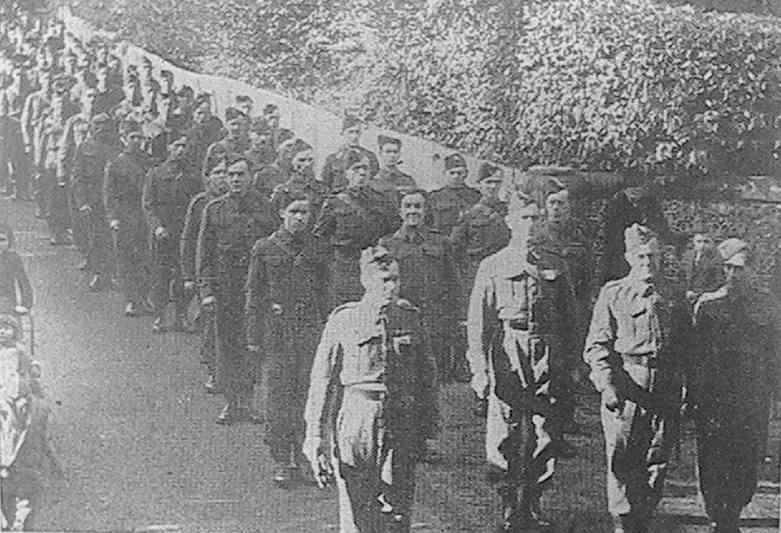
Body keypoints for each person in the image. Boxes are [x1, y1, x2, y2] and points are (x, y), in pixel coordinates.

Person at [303, 246, 437, 533]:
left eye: (396, 280)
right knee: (356, 508)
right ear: (366, 281)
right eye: (384, 280)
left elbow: (427, 377)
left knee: (397, 509)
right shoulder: (344, 319)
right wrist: (314, 435)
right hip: (356, 419)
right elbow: (322, 381)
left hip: (400, 420)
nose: (391, 287)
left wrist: (427, 427)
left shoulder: (409, 317)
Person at [466, 189, 577, 532]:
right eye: (523, 218)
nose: (530, 225)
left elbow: (571, 316)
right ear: (510, 222)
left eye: (535, 218)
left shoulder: (555, 263)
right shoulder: (494, 264)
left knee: (545, 431)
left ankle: (533, 501)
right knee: (506, 431)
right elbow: (478, 322)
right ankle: (508, 503)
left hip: (547, 348)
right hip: (508, 349)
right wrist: (480, 371)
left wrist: (573, 364)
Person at [584, 223, 691, 533]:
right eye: (642, 256)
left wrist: (687, 389)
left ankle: (644, 518)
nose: (648, 263)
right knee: (623, 458)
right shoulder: (614, 292)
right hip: (630, 380)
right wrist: (606, 385)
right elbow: (596, 346)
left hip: (666, 382)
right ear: (630, 257)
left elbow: (686, 346)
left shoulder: (673, 293)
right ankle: (623, 523)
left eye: (654, 257)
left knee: (658, 457)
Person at [688, 238, 777, 533]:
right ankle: (716, 515)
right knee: (712, 458)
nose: (734, 274)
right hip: (714, 398)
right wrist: (691, 394)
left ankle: (733, 513)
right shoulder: (708, 306)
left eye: (740, 269)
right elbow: (694, 355)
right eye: (728, 268)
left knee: (747, 458)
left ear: (753, 270)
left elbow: (776, 354)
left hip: (752, 397)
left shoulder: (769, 308)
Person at [245, 193, 329, 485]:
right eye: (294, 211)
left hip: (308, 331)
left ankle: (304, 456)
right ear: (282, 212)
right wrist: (254, 337)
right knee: (279, 397)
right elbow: (254, 295)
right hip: (278, 333)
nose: (300, 217)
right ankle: (282, 459)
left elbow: (325, 293)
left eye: (305, 212)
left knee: (308, 394)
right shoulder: (265, 248)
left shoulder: (318, 248)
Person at [197, 156, 277, 425]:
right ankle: (232, 403)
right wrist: (206, 288)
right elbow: (205, 252)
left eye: (241, 174)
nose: (235, 179)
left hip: (257, 288)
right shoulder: (214, 209)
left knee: (253, 345)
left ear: (251, 176)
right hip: (226, 288)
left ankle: (250, 399)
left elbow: (274, 250)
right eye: (231, 174)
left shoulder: (266, 208)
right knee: (228, 346)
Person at [379, 188, 457, 383]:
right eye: (407, 206)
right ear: (400, 211)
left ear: (426, 210)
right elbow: (381, 286)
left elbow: (454, 283)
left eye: (418, 206)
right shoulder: (388, 244)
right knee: (403, 378)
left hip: (435, 321)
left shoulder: (441, 242)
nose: (412, 211)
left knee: (436, 378)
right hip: (402, 321)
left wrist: (454, 319)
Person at [314, 149, 399, 309]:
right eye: (356, 169)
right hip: (346, 269)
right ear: (346, 173)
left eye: (365, 169)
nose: (362, 173)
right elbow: (320, 238)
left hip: (375, 266)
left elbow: (395, 229)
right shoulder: (334, 203)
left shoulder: (381, 200)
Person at [451, 163, 509, 394]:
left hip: (505, 274)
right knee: (480, 327)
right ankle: (480, 384)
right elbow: (455, 248)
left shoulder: (509, 211)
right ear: (480, 185)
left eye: (496, 182)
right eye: (488, 183)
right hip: (477, 274)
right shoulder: (470, 214)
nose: (493, 187)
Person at [0, 313, 61, 532]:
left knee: (29, 415)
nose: (2, 332)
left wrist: (32, 372)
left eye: (7, 328)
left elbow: (30, 368)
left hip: (16, 388)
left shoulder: (19, 352)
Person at [142, 132, 202, 333]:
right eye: (177, 145)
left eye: (185, 146)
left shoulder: (194, 175)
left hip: (185, 235)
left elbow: (199, 204)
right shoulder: (156, 173)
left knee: (184, 277)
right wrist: (157, 226)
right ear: (169, 147)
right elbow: (148, 205)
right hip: (163, 235)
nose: (181, 150)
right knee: (160, 277)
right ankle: (159, 315)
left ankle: (181, 315)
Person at [180, 160, 229, 393]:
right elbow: (190, 241)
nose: (223, 177)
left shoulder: (244, 204)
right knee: (211, 326)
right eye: (218, 173)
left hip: (234, 276)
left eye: (226, 173)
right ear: (208, 177)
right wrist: (189, 275)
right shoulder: (201, 203)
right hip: (209, 274)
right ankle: (213, 370)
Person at [104, 119, 155, 316]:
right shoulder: (116, 164)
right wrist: (113, 218)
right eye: (132, 137)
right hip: (125, 216)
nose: (136, 141)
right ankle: (132, 300)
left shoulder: (148, 161)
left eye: (139, 137)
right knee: (126, 260)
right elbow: (109, 194)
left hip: (145, 215)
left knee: (146, 258)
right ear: (124, 139)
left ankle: (143, 297)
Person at [597, 182, 684, 284]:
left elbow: (662, 230)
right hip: (622, 251)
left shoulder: (652, 207)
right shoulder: (615, 207)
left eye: (639, 201)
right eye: (633, 199)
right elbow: (608, 236)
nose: (636, 203)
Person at [71, 112, 118, 291]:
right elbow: (77, 176)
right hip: (94, 199)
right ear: (92, 127)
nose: (102, 130)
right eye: (98, 125)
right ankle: (100, 274)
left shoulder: (117, 146)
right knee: (97, 237)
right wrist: (82, 201)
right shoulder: (84, 147)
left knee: (112, 238)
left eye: (106, 126)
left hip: (113, 200)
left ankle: (113, 273)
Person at [270, 138, 328, 220]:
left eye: (310, 160)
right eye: (302, 160)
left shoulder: (323, 189)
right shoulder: (283, 191)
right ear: (292, 162)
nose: (307, 164)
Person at [320, 115, 379, 192]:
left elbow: (373, 179)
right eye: (350, 132)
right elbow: (326, 182)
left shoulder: (369, 156)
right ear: (342, 133)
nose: (354, 136)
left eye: (357, 132)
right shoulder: (333, 159)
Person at [427, 153, 479, 234]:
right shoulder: (434, 197)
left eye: (459, 173)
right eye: (452, 173)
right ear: (444, 173)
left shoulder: (476, 196)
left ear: (466, 174)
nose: (455, 176)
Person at [680, 224, 721, 304]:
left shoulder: (714, 258)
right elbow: (681, 276)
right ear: (693, 243)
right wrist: (687, 291)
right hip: (687, 294)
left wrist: (700, 293)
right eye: (699, 242)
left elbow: (719, 281)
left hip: (705, 296)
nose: (702, 245)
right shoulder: (687, 256)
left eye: (706, 242)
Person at [203, 106, 250, 174]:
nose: (236, 128)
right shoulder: (218, 147)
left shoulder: (248, 146)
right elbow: (208, 173)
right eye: (233, 124)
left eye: (240, 124)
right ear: (226, 125)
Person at [0, 223, 32, 315]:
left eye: (2, 240)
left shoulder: (13, 258)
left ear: (9, 242)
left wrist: (26, 305)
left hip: (5, 300)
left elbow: (23, 281)